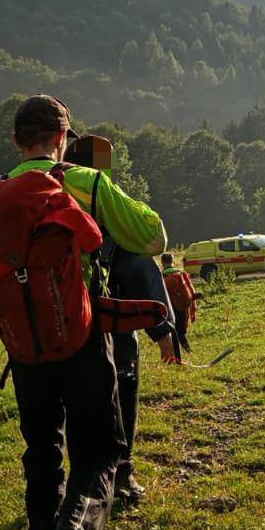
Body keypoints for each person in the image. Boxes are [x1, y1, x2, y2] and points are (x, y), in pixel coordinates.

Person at [0, 95, 173, 530]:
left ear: (14, 142)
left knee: (41, 454)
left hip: (25, 350)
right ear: (64, 138)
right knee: (98, 451)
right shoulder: (84, 183)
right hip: (82, 339)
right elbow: (153, 237)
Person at [65, 133, 179, 505]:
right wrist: (163, 330)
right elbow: (139, 259)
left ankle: (68, 488)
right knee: (119, 392)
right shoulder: (101, 194)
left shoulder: (37, 191)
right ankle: (120, 477)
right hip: (106, 319)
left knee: (71, 405)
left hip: (51, 321)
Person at [161, 252, 198, 354]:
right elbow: (191, 290)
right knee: (180, 332)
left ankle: (183, 354)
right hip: (183, 306)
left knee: (175, 333)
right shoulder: (181, 274)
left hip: (171, 308)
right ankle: (186, 352)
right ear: (172, 261)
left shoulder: (163, 277)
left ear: (162, 262)